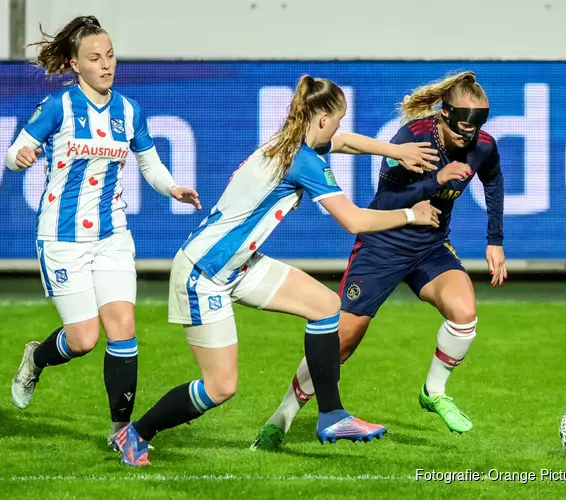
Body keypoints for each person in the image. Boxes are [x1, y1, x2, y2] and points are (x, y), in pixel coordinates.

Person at [113, 74, 442, 466]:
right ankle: (135, 434)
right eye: (337, 118)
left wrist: (395, 150)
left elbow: (349, 141)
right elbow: (353, 221)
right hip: (203, 274)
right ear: (321, 118)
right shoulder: (303, 160)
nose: (339, 126)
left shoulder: (294, 138)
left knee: (324, 306)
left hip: (237, 265)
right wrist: (410, 214)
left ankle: (332, 415)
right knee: (221, 387)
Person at [252, 71, 506, 451]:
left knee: (464, 312)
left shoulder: (481, 144)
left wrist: (495, 240)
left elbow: (493, 178)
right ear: (444, 115)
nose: (468, 138)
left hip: (431, 245)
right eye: (461, 129)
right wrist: (437, 178)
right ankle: (281, 419)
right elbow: (385, 202)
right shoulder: (413, 139)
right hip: (382, 244)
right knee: (342, 341)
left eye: (475, 129)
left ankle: (433, 392)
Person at [5, 15, 201, 448]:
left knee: (123, 328)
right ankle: (36, 358)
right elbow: (16, 150)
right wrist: (19, 158)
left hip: (113, 235)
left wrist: (173, 187)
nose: (106, 64)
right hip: (61, 238)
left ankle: (121, 431)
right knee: (83, 339)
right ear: (75, 65)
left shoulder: (129, 111)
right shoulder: (58, 107)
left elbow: (149, 163)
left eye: (110, 55)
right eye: (95, 58)